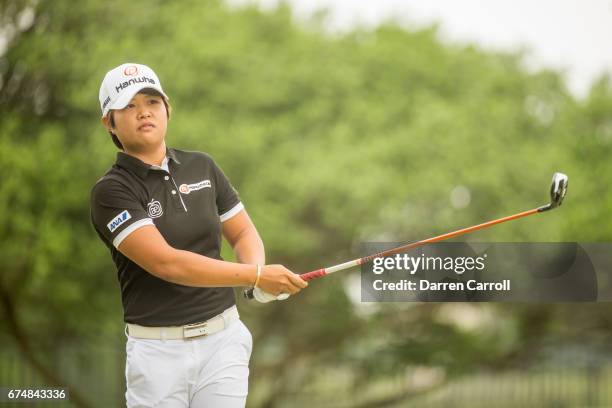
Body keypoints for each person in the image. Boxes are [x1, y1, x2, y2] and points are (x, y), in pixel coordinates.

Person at [90, 62, 307, 407]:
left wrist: (256, 280)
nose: (143, 113)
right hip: (156, 352)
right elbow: (167, 264)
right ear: (109, 122)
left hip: (223, 343)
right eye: (129, 106)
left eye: (152, 102)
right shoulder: (111, 191)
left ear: (167, 109)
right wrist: (256, 275)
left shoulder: (202, 166)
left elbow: (243, 232)